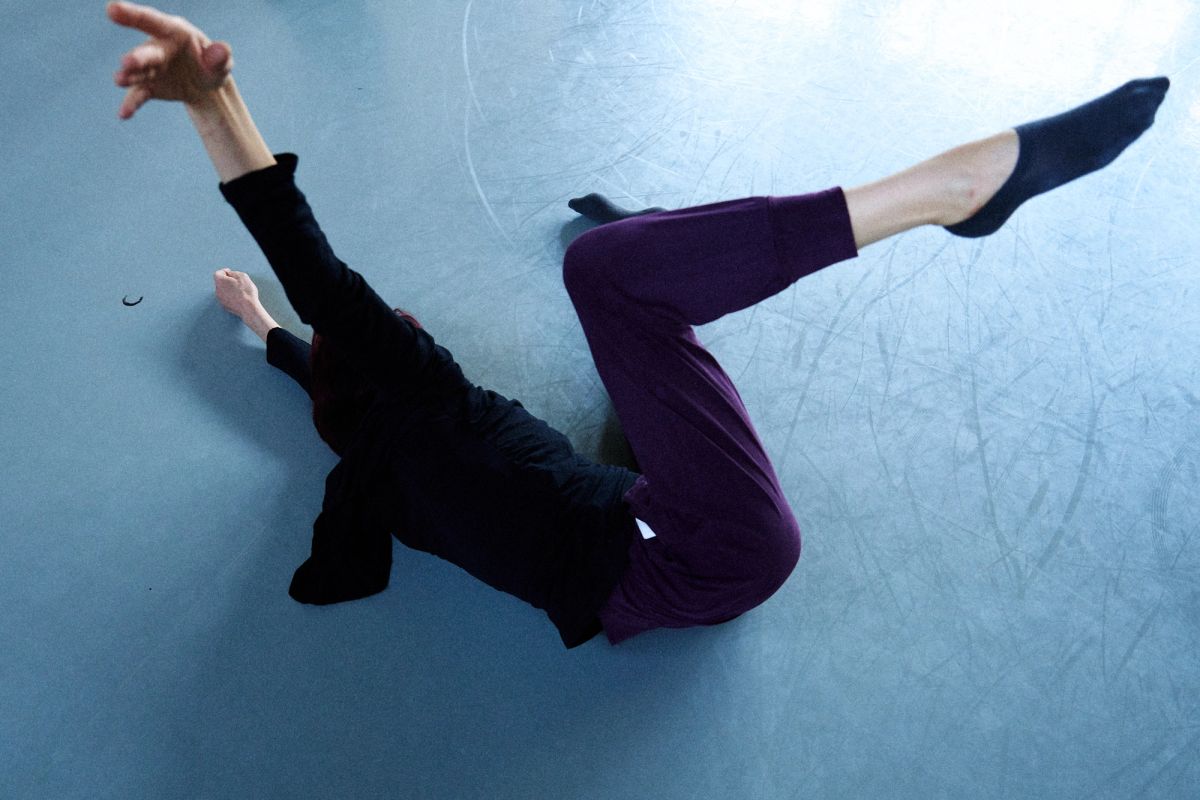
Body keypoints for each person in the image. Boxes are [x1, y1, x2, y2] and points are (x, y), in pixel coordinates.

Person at [107, 1, 1169, 647]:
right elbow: (320, 324)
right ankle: (935, 198)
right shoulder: (392, 411)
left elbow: (317, 308)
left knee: (615, 276)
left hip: (663, 520)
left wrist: (254, 281)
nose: (385, 322)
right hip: (691, 563)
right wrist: (258, 295)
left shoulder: (398, 405)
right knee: (607, 273)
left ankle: (922, 199)